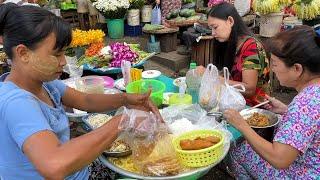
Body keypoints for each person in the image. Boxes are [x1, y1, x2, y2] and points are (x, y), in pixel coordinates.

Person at [0, 3, 162, 179]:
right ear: (23, 53)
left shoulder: (44, 83)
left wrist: (126, 99)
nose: (63, 62)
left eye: (64, 53)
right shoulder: (17, 103)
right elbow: (54, 165)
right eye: (56, 54)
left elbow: (85, 101)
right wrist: (122, 120)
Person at [223, 25, 320, 179]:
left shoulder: (305, 103)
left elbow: (279, 159)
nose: (272, 69)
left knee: (238, 150)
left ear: (297, 69)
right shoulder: (314, 92)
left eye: (274, 63)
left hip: (304, 173)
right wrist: (286, 110)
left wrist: (241, 124)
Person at [197, 2, 269, 106]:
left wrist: (212, 77)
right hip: (232, 101)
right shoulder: (228, 42)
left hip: (253, 107)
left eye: (215, 27)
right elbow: (225, 73)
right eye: (211, 28)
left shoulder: (251, 47)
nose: (212, 33)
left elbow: (249, 90)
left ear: (230, 21)